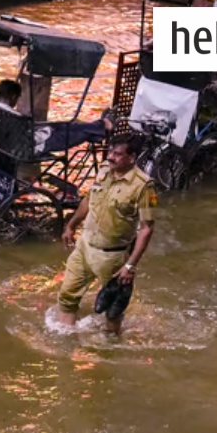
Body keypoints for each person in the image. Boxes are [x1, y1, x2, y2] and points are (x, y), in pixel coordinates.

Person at [56, 133, 156, 335]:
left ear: (132, 157)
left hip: (112, 256)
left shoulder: (144, 187)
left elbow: (147, 228)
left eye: (117, 154)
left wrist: (130, 266)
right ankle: (64, 340)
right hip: (84, 246)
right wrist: (71, 225)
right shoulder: (103, 170)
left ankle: (111, 345)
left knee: (113, 309)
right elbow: (88, 199)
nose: (110, 157)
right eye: (110, 151)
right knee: (67, 295)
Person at [0, 80, 114, 154]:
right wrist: (47, 131)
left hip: (15, 142)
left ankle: (100, 128)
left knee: (67, 125)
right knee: (74, 132)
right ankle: (103, 126)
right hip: (33, 147)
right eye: (17, 97)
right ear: (13, 96)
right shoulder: (15, 118)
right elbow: (32, 140)